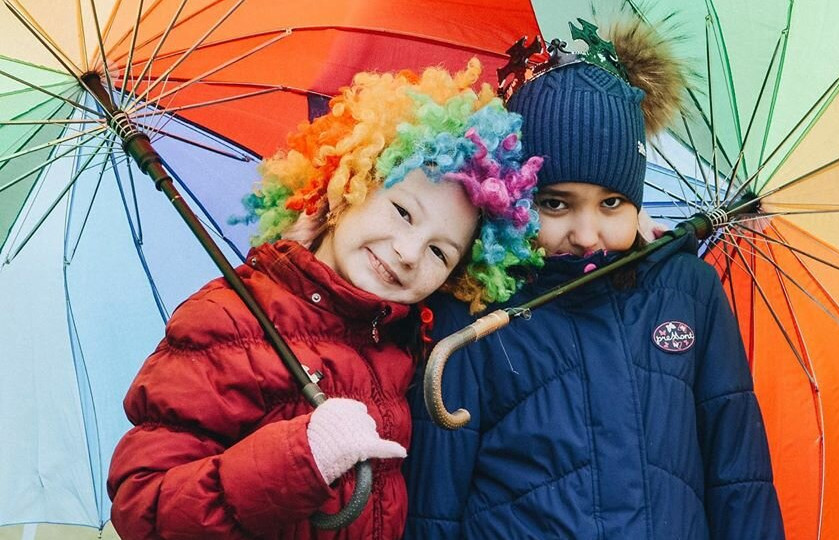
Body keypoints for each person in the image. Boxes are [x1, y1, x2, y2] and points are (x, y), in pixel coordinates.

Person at [107, 59, 543, 540]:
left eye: (440, 252)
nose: (407, 252)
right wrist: (297, 458)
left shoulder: (400, 340)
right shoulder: (230, 322)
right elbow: (143, 506)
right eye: (401, 211)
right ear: (342, 188)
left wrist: (635, 252)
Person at [404, 19, 785, 539]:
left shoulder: (688, 291)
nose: (587, 234)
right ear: (519, 198)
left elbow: (739, 477)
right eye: (555, 204)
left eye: (612, 203)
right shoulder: (474, 307)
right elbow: (435, 507)